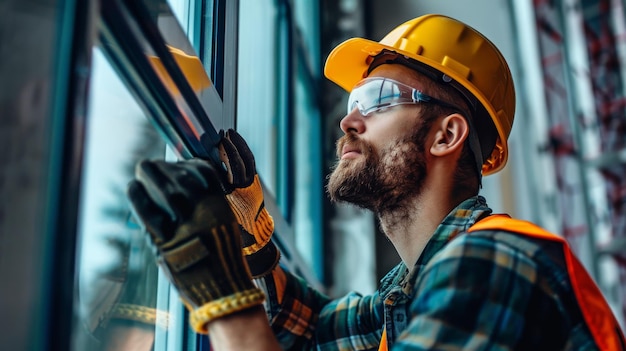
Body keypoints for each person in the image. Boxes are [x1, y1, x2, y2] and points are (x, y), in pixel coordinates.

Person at [127, 14, 626, 350]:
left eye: (379, 98)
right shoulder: (408, 293)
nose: (348, 122)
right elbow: (310, 331)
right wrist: (251, 240)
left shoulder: (494, 261)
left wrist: (225, 301)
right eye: (352, 104)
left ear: (447, 134)